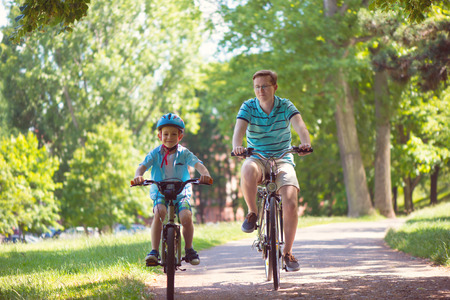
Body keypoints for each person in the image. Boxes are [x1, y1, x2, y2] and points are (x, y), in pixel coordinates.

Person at [232, 70, 312, 272]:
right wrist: (237, 146)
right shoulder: (248, 106)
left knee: (291, 201)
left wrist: (305, 143)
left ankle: (288, 253)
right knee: (247, 168)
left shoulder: (285, 105)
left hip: (283, 157)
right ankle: (252, 212)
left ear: (275, 87)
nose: (260, 90)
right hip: (257, 157)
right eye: (257, 87)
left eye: (265, 86)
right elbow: (238, 131)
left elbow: (300, 126)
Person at [133, 113, 212, 266]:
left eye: (174, 134)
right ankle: (154, 251)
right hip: (160, 191)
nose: (169, 137)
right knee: (159, 212)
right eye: (166, 134)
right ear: (159, 135)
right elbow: (141, 166)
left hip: (181, 192)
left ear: (180, 136)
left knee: (186, 216)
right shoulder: (155, 154)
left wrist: (205, 174)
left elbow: (197, 164)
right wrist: (138, 176)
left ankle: (189, 249)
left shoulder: (184, 153)